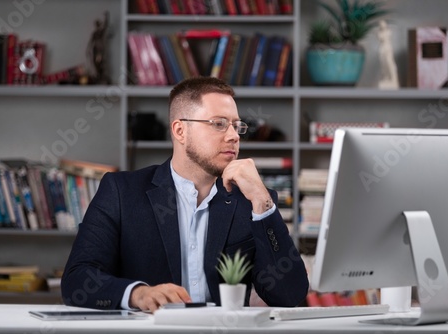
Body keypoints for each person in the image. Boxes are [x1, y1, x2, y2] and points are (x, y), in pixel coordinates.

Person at [61, 77, 309, 313]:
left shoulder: (252, 201)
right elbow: (77, 280)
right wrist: (138, 295)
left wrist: (263, 202)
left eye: (236, 125)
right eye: (219, 124)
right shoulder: (121, 192)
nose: (234, 136)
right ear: (180, 131)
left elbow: (290, 295)